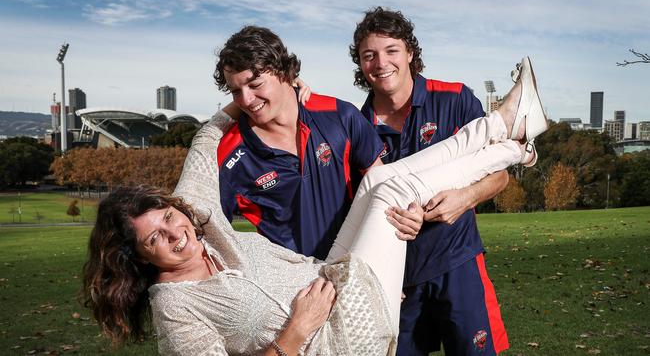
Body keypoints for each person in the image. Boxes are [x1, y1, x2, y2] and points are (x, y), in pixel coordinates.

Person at [82, 54, 547, 356]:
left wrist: (244, 104)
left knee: (382, 178)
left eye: (167, 217)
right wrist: (293, 336)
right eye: (154, 239)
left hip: (338, 278)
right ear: (139, 256)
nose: (174, 232)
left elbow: (204, 140)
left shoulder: (201, 226)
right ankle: (510, 137)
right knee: (389, 193)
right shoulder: (176, 306)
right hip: (338, 339)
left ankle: (510, 133)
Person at [349, 7, 542, 356]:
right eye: (369, 55)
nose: (381, 63)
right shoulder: (355, 125)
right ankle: (515, 133)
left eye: (391, 51)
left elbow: (498, 178)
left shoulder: (452, 98)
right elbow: (361, 210)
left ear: (410, 52)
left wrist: (465, 198)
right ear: (360, 64)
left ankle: (513, 129)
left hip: (457, 262)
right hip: (399, 277)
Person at [213, 25, 422, 261]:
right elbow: (212, 237)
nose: (247, 100)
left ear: (284, 72)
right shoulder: (227, 155)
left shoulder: (339, 115)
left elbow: (383, 186)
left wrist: (406, 215)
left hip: (357, 269)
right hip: (292, 286)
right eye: (235, 91)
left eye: (255, 84)